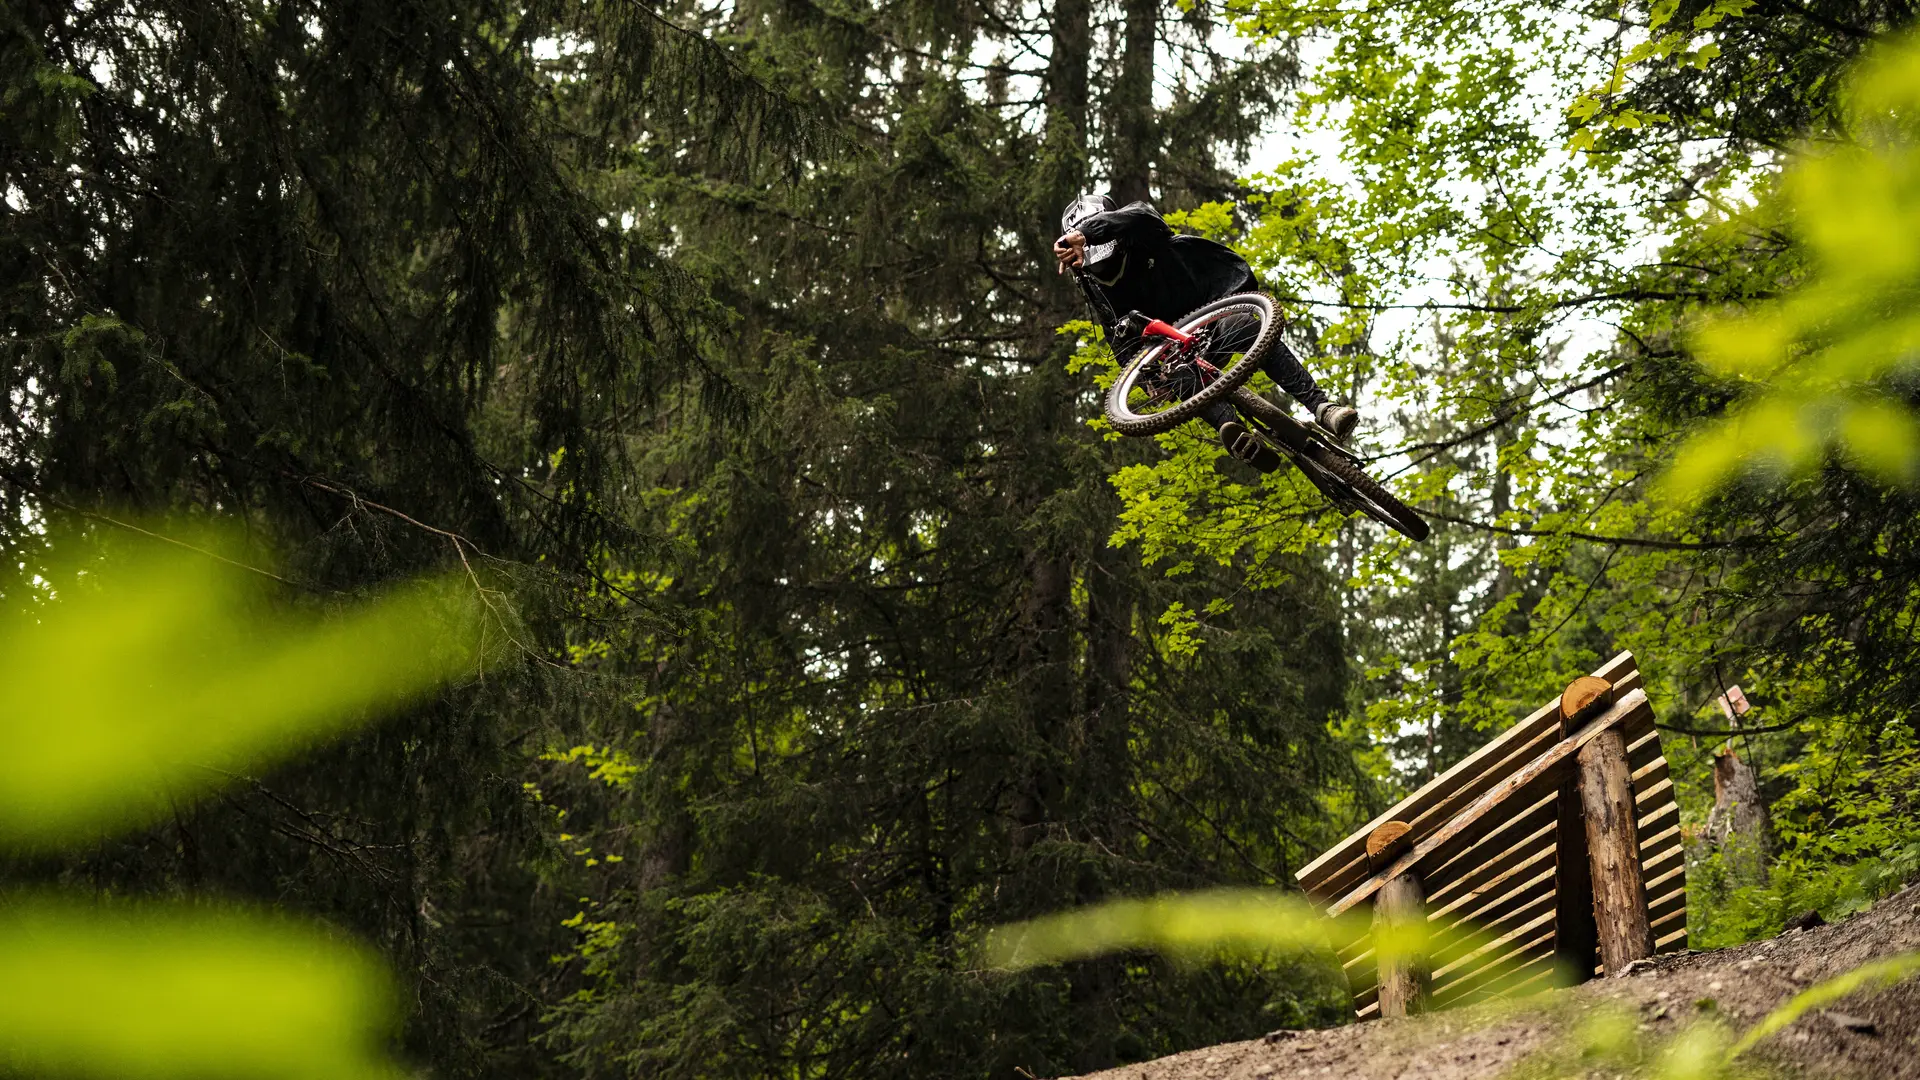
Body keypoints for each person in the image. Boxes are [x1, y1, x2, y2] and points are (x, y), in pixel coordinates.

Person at [1052, 194, 1358, 471]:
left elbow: (1142, 214)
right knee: (1177, 374)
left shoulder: (1143, 233)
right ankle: (1235, 433)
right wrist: (1147, 381)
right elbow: (1118, 338)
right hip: (1180, 354)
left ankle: (1322, 408)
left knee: (1243, 325)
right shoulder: (1095, 288)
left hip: (1216, 318)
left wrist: (1087, 232)